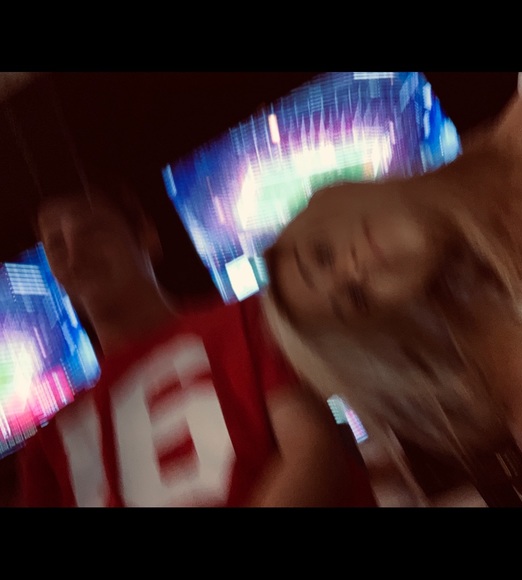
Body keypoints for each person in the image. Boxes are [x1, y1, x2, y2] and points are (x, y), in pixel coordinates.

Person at [261, 72, 522, 507]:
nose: (353, 271)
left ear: (330, 199)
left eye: (323, 254)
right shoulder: (507, 338)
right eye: (355, 298)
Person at [13, 173, 378, 507]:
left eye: (93, 231)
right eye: (56, 245)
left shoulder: (249, 320)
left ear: (147, 235)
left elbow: (313, 452)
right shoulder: (47, 445)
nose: (75, 255)